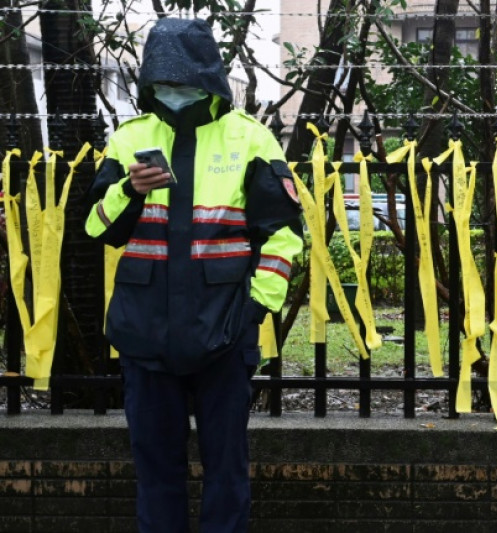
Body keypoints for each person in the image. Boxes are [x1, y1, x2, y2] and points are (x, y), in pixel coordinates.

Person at [85, 17, 303, 533]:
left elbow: (284, 236)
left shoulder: (252, 140)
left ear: (209, 76)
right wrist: (129, 191)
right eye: (161, 81)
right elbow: (98, 228)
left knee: (226, 472)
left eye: (181, 80)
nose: (172, 90)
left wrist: (253, 310)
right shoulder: (129, 141)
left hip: (223, 336)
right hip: (144, 335)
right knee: (156, 472)